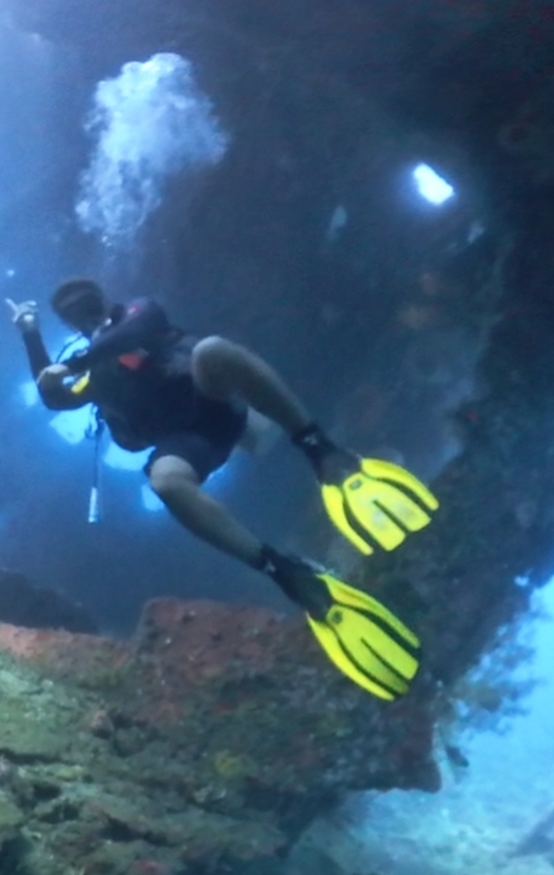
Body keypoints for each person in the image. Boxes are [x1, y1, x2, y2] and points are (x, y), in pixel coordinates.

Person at [7, 280, 438, 700]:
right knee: (165, 481)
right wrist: (30, 334)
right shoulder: (94, 374)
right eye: (71, 309)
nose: (82, 308)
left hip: (213, 404)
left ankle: (320, 450)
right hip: (188, 441)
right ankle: (282, 570)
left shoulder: (137, 313)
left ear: (102, 297)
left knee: (213, 350)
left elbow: (137, 332)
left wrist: (76, 363)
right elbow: (56, 396)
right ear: (66, 320)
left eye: (86, 299)